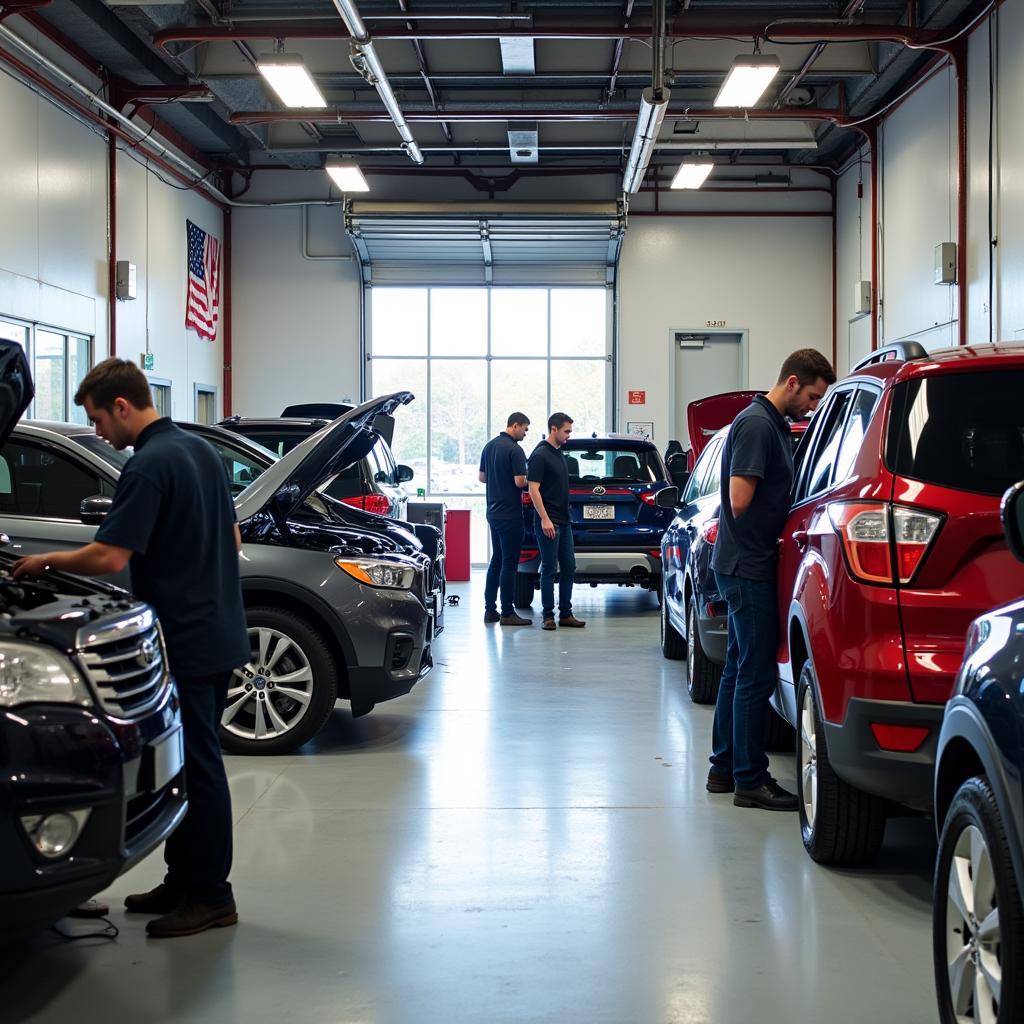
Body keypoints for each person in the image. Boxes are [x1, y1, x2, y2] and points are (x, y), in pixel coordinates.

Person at [13, 358, 250, 937]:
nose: (97, 432)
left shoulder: (148, 464)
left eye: (96, 419)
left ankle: (212, 895)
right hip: (216, 630)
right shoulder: (201, 453)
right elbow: (234, 536)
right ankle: (182, 882)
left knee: (198, 766)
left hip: (187, 639)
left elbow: (109, 556)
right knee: (185, 765)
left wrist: (44, 560)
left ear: (122, 406)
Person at [707, 349, 836, 811]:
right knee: (755, 675)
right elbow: (739, 499)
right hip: (749, 566)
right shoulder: (758, 425)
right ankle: (751, 780)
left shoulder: (772, 423)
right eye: (812, 397)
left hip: (744, 562)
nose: (813, 407)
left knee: (739, 668)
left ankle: (723, 769)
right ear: (793, 381)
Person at [527, 412, 586, 631]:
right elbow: (533, 489)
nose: (569, 435)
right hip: (548, 521)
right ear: (554, 429)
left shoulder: (559, 454)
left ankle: (566, 613)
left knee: (569, 567)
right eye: (566, 431)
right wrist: (544, 519)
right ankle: (548, 616)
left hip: (564, 521)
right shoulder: (540, 455)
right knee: (549, 568)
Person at [479, 412, 532, 626]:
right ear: (515, 425)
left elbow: (482, 478)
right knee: (510, 563)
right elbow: (520, 481)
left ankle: (490, 610)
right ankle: (508, 612)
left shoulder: (489, 446)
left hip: (493, 511)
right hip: (510, 514)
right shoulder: (515, 450)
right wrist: (536, 480)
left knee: (497, 560)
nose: (525, 434)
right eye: (525, 429)